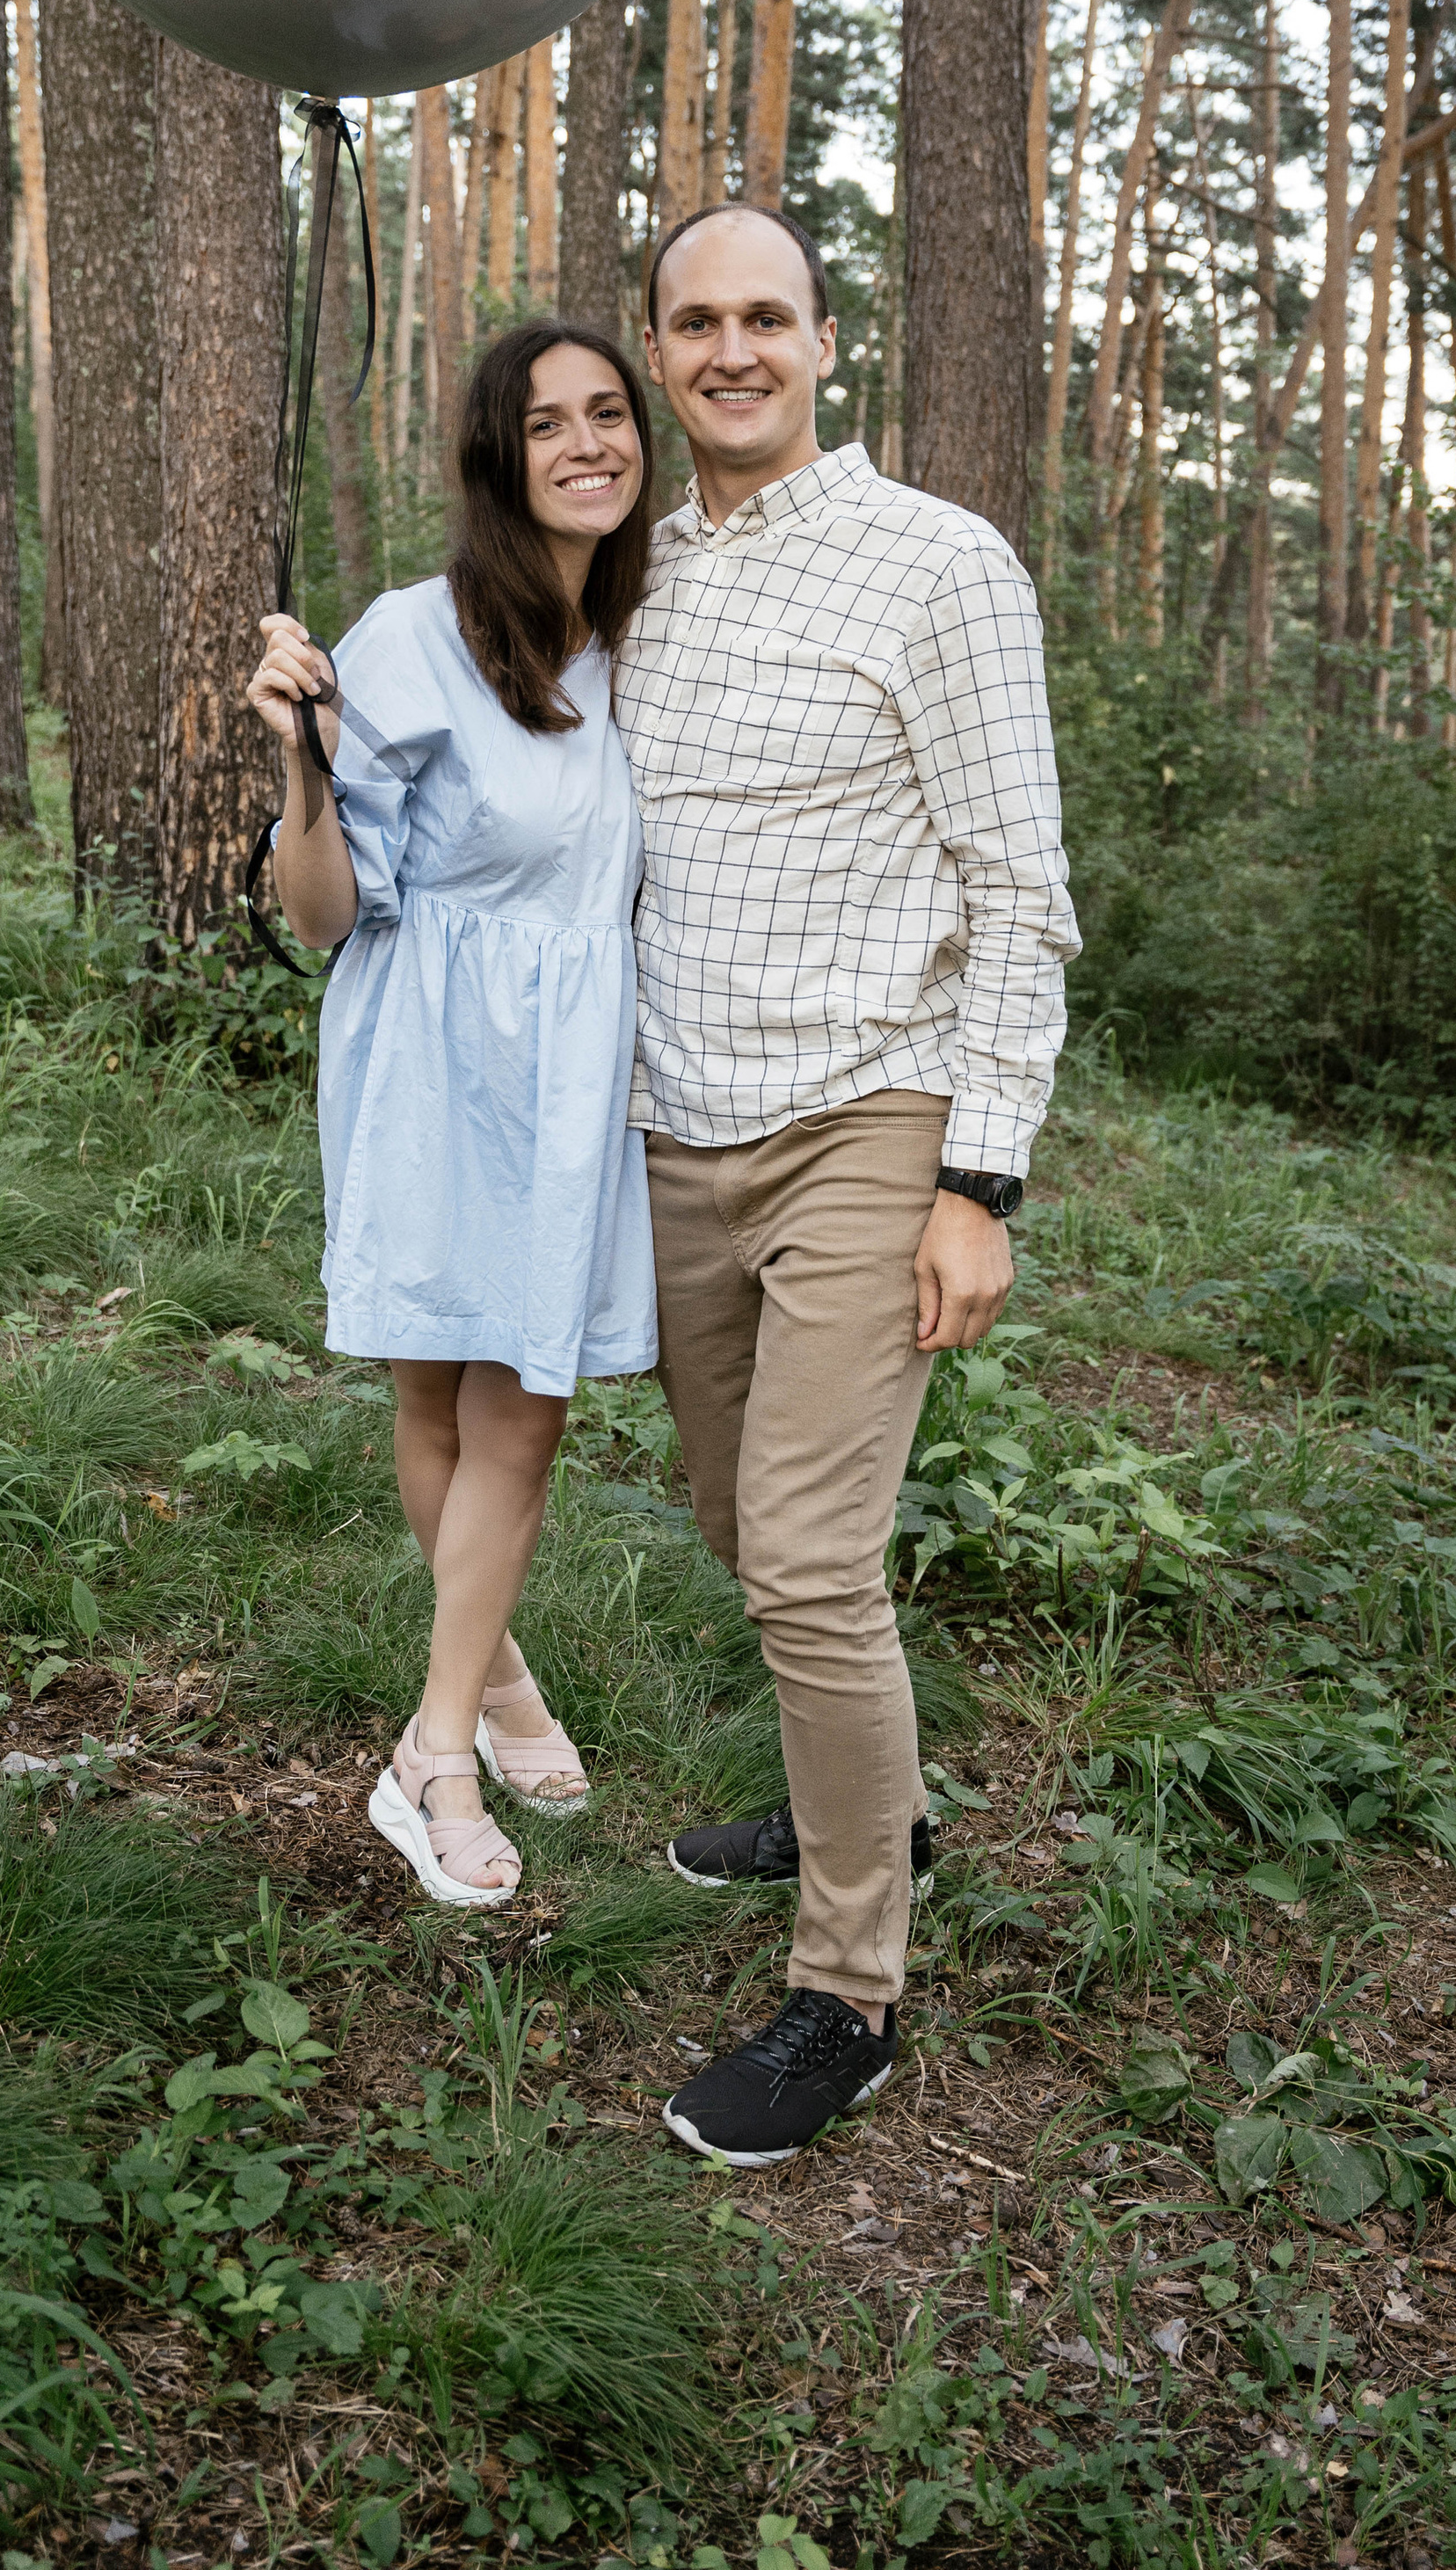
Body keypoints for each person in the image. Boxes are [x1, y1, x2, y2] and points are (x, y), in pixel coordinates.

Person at [619, 201, 1079, 2166]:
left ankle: (846, 1993)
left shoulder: (937, 567)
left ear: (823, 340)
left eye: (764, 317)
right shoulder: (627, 571)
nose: (730, 349)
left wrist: (978, 1179)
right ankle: (863, 1794)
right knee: (735, 1515)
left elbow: (1018, 891)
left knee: (807, 1557)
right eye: (694, 319)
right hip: (669, 1126)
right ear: (658, 346)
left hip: (866, 1117)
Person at [245, 321, 658, 1912]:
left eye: (608, 416)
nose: (583, 445)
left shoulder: (646, 633)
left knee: (519, 1410)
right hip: (428, 1056)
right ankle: (439, 1749)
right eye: (545, 424)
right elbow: (327, 913)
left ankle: (477, 1689)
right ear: (500, 458)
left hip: (573, 1079)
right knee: (449, 1405)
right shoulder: (414, 638)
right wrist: (302, 770)